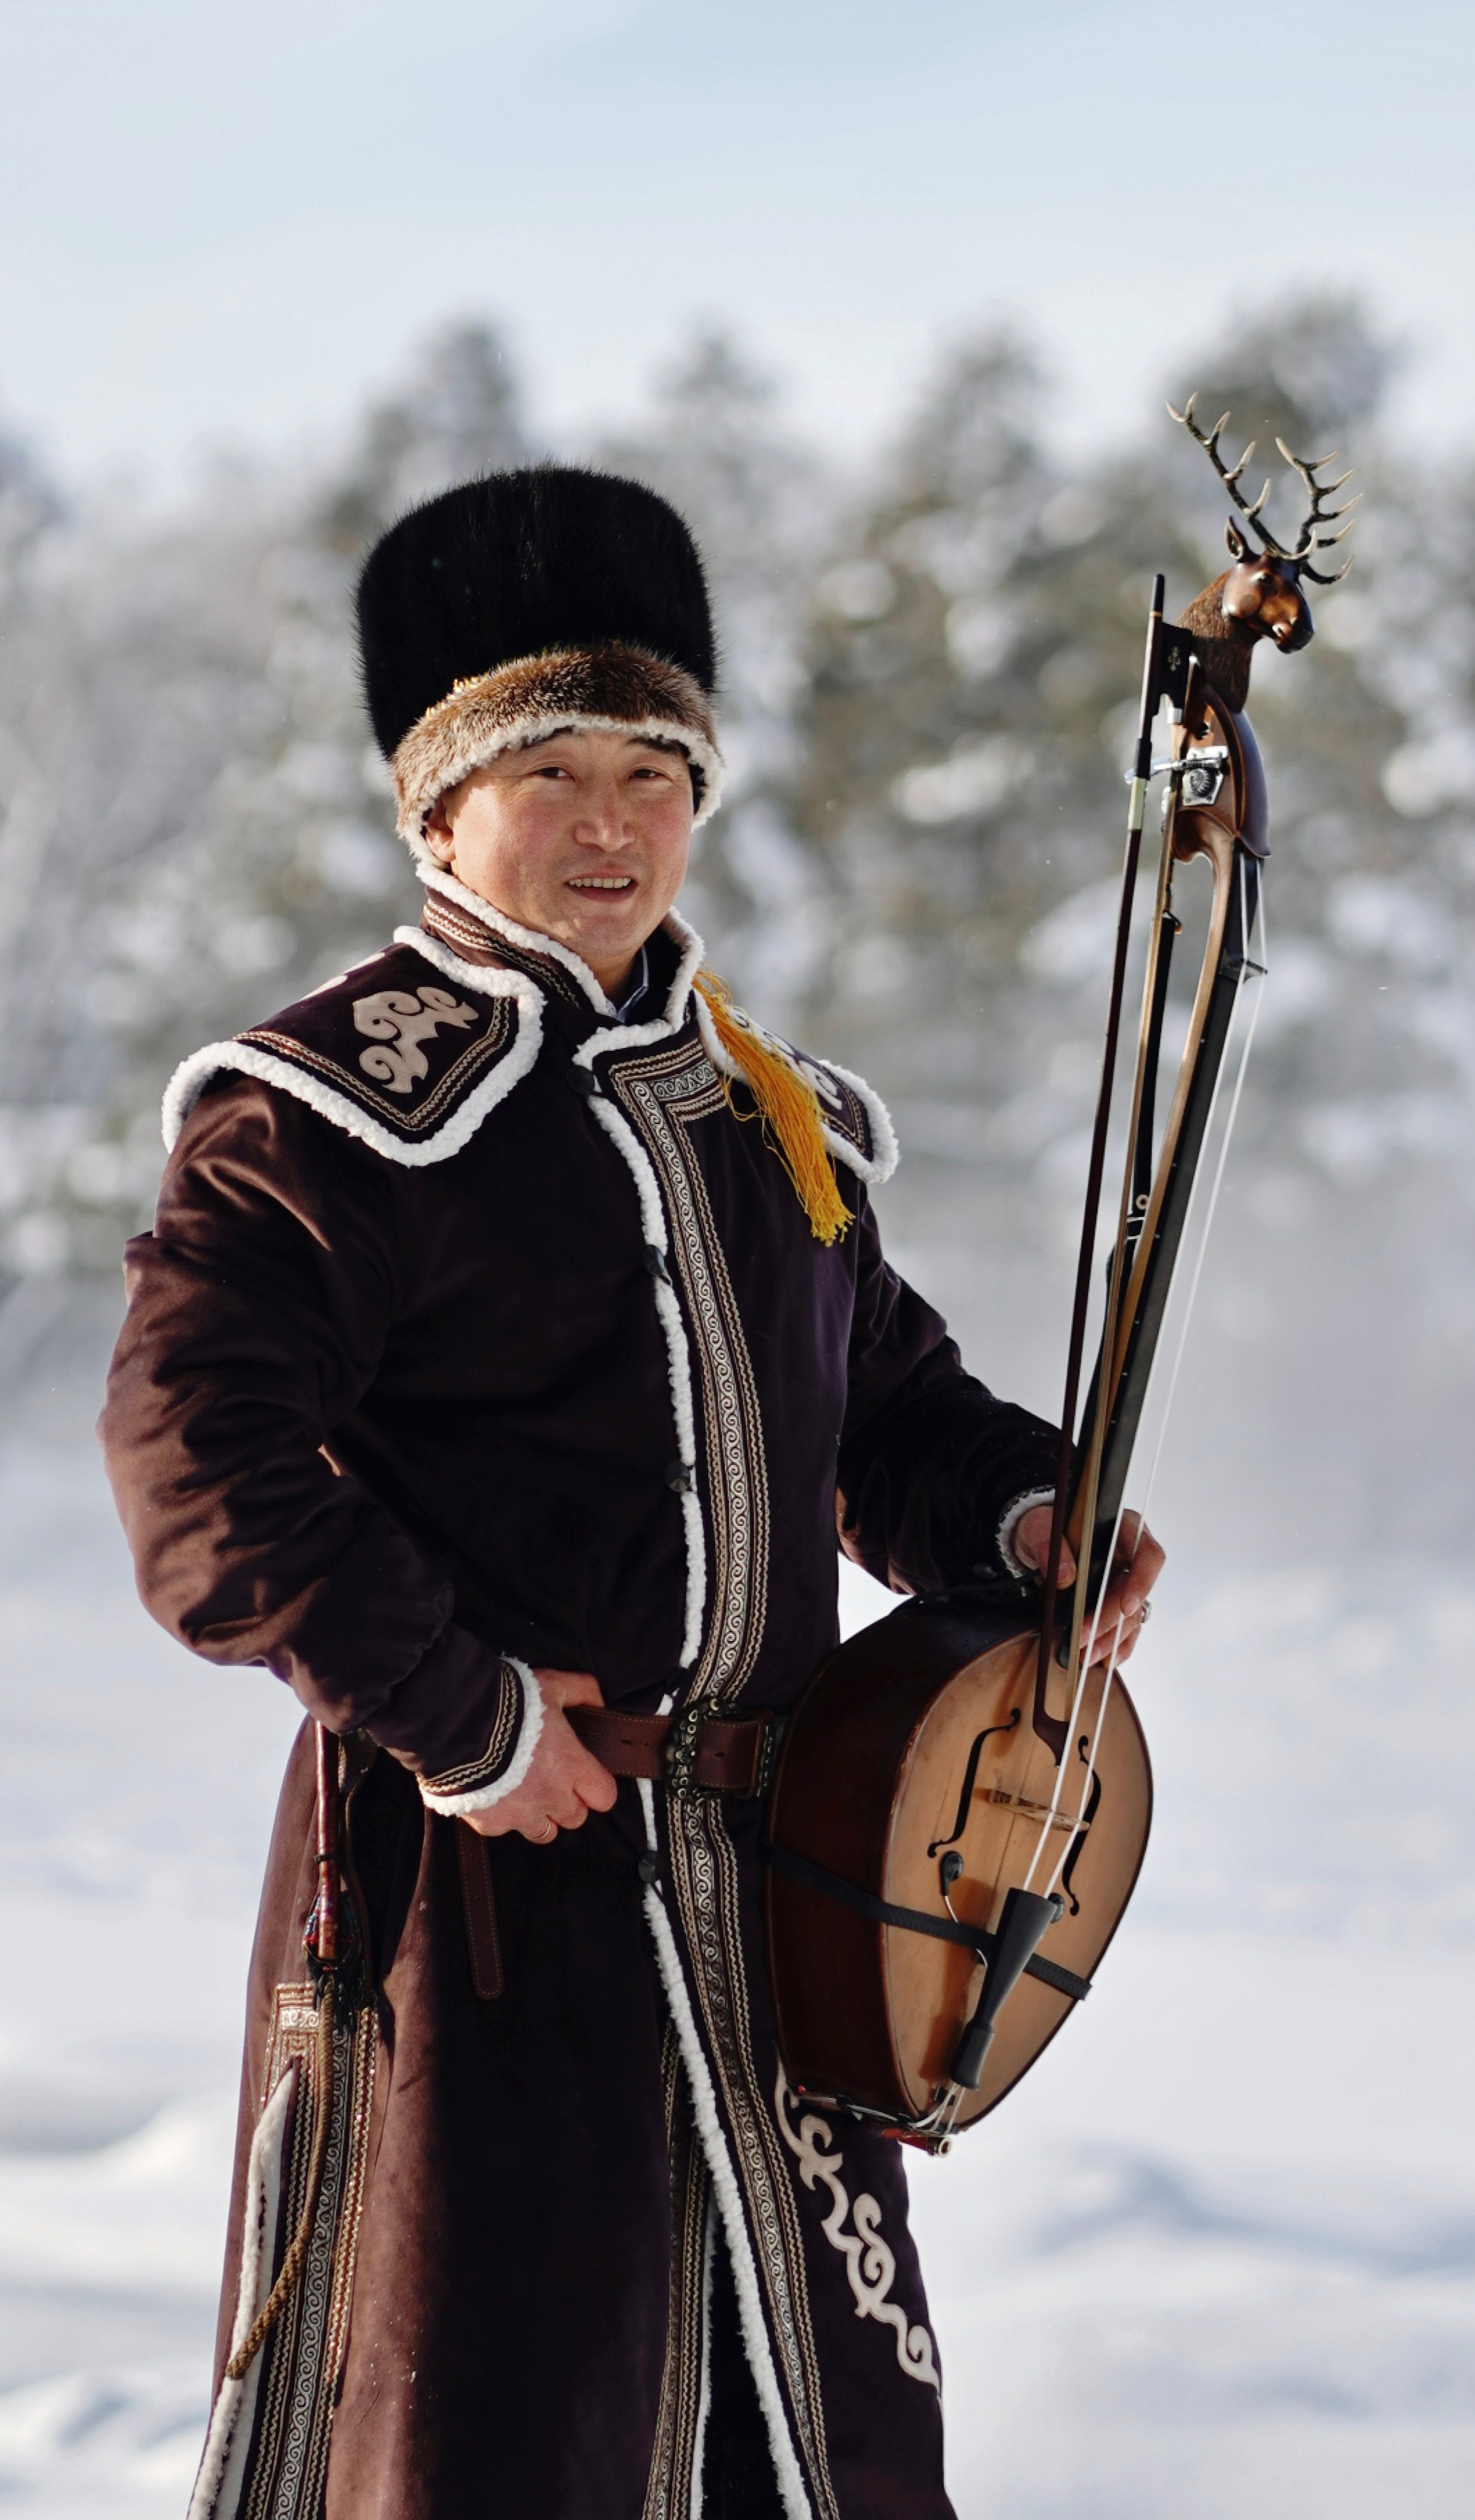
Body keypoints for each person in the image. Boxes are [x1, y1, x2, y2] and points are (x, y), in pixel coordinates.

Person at [101, 468, 1162, 2520]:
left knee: (819, 2461)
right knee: (498, 2448)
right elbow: (192, 1465)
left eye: (656, 773)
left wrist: (1026, 1520)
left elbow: (889, 1411)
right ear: (435, 811)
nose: (612, 825)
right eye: (550, 771)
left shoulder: (772, 1115)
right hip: (478, 1918)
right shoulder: (327, 1116)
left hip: (785, 1914)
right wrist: (465, 1717)